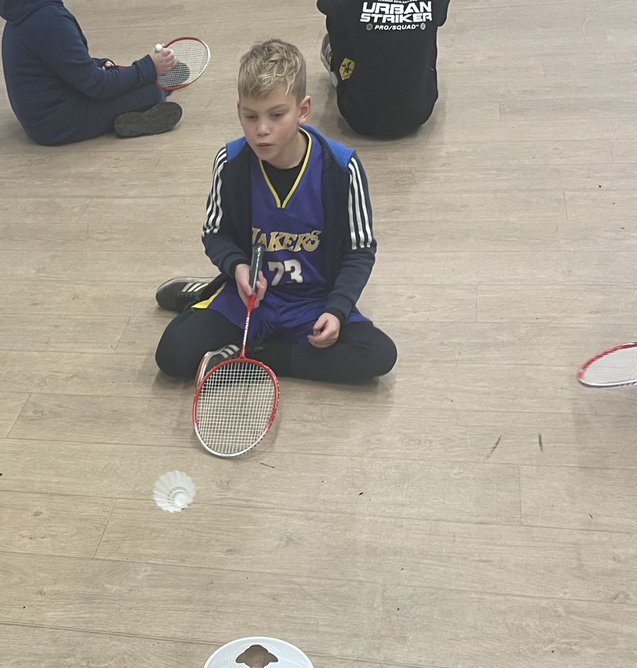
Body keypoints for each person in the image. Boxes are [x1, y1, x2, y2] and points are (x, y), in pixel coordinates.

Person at [154, 39, 396, 387]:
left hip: (313, 302)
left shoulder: (343, 168)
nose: (261, 129)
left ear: (303, 109)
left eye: (276, 115)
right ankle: (206, 294)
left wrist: (337, 309)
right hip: (251, 300)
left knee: (378, 355)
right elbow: (215, 233)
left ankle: (253, 355)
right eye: (250, 116)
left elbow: (360, 251)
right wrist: (236, 267)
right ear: (239, 111)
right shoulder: (231, 163)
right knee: (172, 357)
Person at [0, 0, 183, 145]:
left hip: (40, 118)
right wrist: (150, 67)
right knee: (152, 91)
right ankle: (155, 92)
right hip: (56, 123)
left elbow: (59, 62)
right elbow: (97, 86)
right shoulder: (48, 19)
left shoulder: (23, 13)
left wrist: (98, 63)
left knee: (126, 77)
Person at [317, 0, 451, 138]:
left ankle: (341, 71)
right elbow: (440, 18)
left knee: (338, 18)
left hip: (356, 112)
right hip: (420, 108)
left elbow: (325, 6)